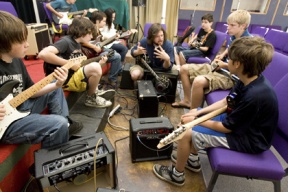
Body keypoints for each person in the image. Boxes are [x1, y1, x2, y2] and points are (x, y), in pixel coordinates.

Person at [153, 36, 278, 186]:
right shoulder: (246, 79)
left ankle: (177, 175)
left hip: (248, 140)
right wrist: (198, 113)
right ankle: (192, 160)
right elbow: (227, 101)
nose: (226, 60)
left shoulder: (255, 96)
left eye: (229, 58)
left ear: (237, 64)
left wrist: (196, 121)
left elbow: (226, 127)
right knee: (192, 115)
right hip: (239, 125)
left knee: (186, 132)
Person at [0, 11, 82, 148]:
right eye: (21, 41)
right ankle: (47, 164)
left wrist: (57, 85)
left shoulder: (17, 61)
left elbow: (30, 91)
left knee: (53, 86)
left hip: (21, 107)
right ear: (3, 43)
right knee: (57, 124)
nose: (27, 45)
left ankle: (65, 126)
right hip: (7, 123)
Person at [172, 10, 251, 109]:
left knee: (198, 81)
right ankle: (187, 101)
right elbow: (229, 48)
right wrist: (222, 55)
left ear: (243, 26)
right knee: (184, 69)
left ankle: (193, 115)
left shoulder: (248, 44)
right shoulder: (234, 37)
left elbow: (243, 69)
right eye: (228, 24)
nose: (228, 27)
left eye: (232, 25)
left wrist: (224, 65)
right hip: (221, 68)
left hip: (231, 77)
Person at [39, 17, 114, 108]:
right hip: (64, 79)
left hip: (72, 75)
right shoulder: (65, 41)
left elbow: (79, 66)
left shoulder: (77, 43)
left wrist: (100, 64)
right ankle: (91, 98)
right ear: (82, 32)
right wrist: (68, 64)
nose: (91, 37)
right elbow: (43, 54)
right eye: (90, 33)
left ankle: (94, 90)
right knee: (95, 67)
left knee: (96, 66)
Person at [83, 10, 122, 90]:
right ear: (97, 21)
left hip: (99, 50)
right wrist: (94, 47)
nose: (105, 23)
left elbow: (100, 40)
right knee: (117, 56)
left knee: (114, 53)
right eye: (104, 21)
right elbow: (82, 42)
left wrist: (113, 38)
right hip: (92, 54)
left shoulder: (97, 29)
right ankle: (112, 80)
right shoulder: (89, 29)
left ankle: (118, 71)